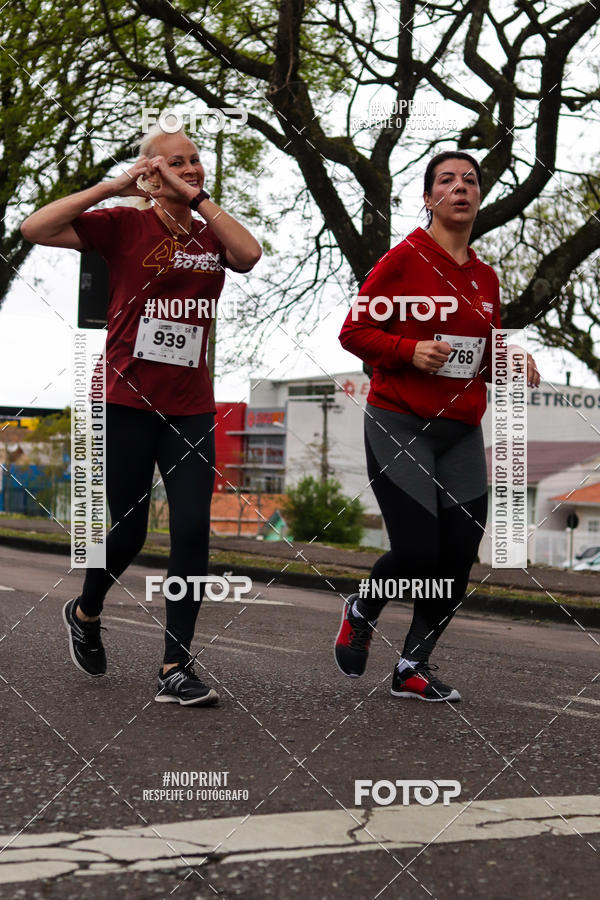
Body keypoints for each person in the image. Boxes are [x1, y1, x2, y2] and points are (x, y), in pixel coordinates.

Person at [20, 124, 261, 706]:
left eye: (197, 160)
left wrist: (197, 197)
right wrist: (120, 185)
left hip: (191, 406)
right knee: (127, 530)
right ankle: (86, 609)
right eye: (178, 161)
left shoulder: (211, 235)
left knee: (190, 531)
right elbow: (35, 227)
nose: (193, 168)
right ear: (153, 172)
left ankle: (175, 665)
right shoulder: (126, 224)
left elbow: (249, 255)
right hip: (126, 399)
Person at [334, 151, 540, 702]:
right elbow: (353, 332)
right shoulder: (403, 260)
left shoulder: (485, 277)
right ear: (428, 198)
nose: (460, 188)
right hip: (400, 423)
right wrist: (408, 349)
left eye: (470, 180)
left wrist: (511, 361)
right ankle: (362, 607)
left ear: (479, 197)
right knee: (419, 553)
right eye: (446, 180)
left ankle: (412, 666)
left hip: (461, 434)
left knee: (457, 556)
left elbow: (482, 355)